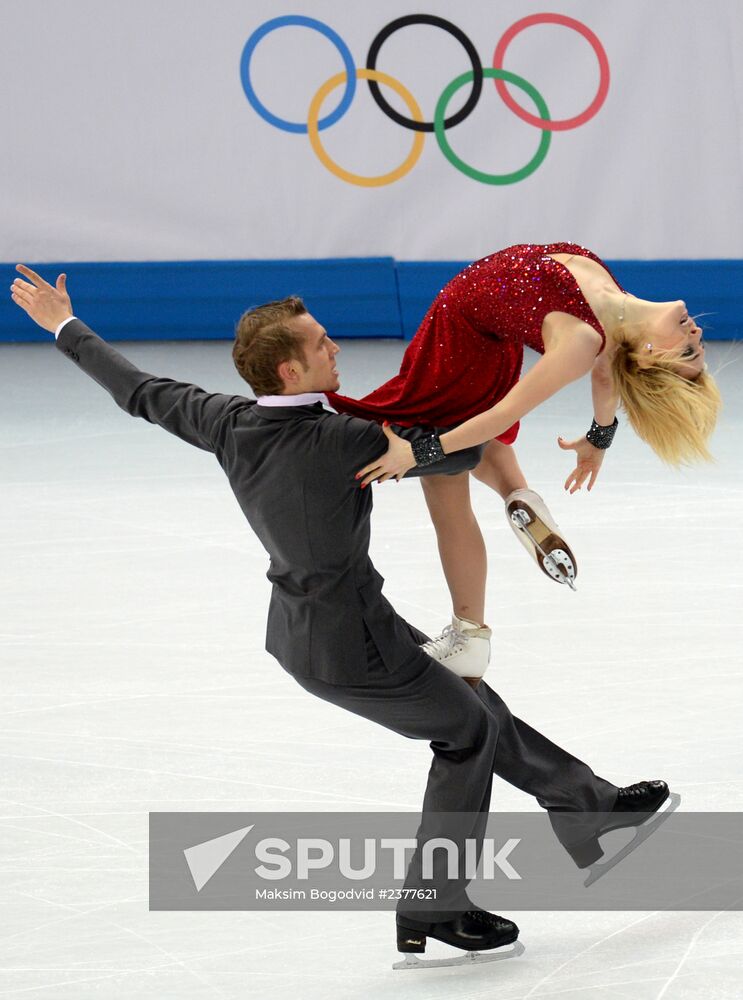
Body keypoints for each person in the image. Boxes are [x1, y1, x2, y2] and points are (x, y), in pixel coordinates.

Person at [11, 264, 675, 968]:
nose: (338, 350)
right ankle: (437, 905)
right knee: (466, 732)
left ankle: (588, 807)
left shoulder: (228, 422)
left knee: (470, 698)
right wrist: (514, 441)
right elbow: (469, 449)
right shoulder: (348, 442)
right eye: (323, 345)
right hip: (351, 645)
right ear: (291, 370)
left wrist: (64, 324)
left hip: (319, 627)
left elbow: (138, 391)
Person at [331, 243, 722, 677]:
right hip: (491, 340)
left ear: (650, 353)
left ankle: (469, 636)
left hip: (459, 334)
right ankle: (517, 495)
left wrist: (420, 452)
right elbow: (609, 370)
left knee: (446, 483)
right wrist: (598, 438)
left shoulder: (584, 340)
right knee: (476, 439)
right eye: (696, 347)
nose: (696, 336)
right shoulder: (615, 317)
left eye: (686, 353)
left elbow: (502, 414)